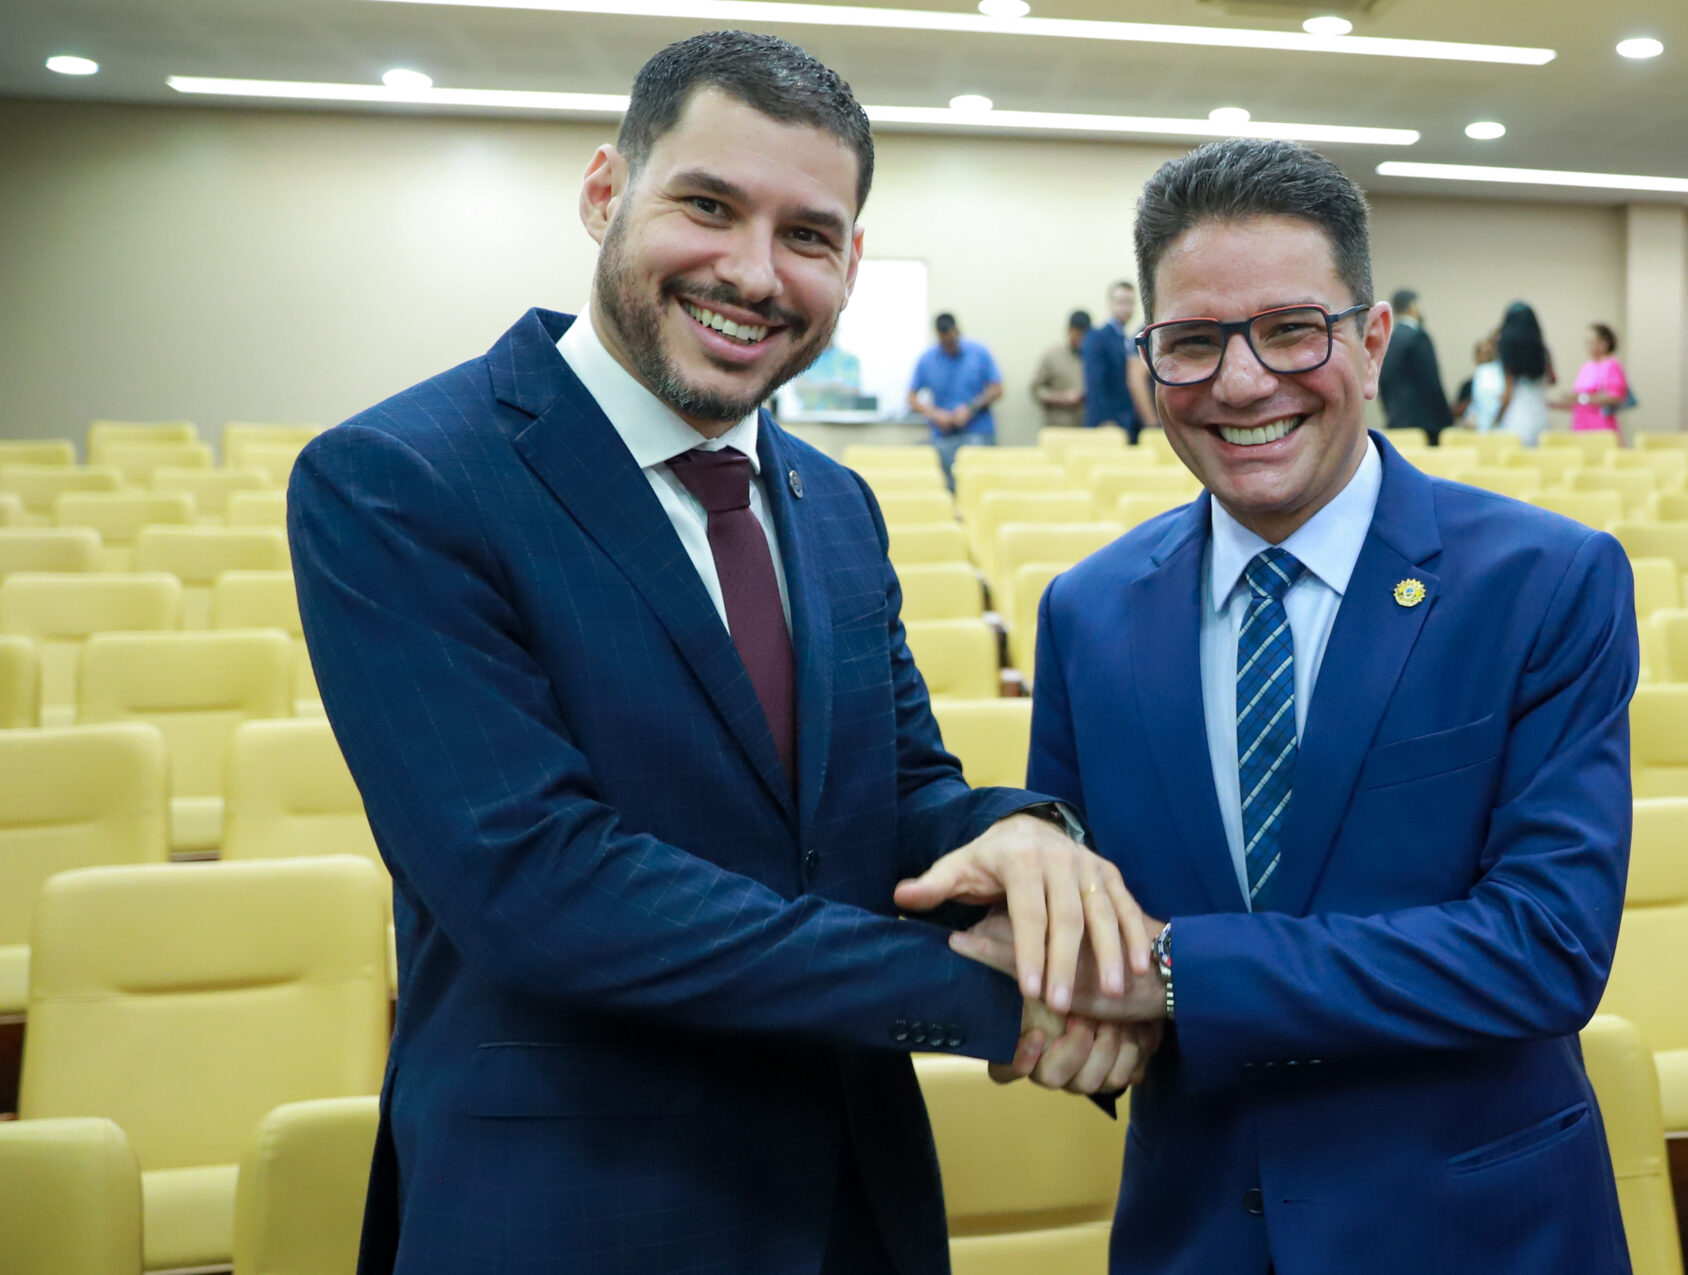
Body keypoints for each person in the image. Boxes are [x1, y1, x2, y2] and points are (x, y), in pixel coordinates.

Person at [289, 32, 1152, 1275]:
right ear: (604, 192)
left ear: (849, 262)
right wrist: (997, 1001)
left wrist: (1019, 835)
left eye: (807, 234)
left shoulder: (836, 502)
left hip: (855, 1195)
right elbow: (542, 887)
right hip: (580, 1207)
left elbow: (896, 787)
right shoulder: (401, 479)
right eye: (707, 206)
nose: (753, 273)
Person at [952, 139, 1636, 1273]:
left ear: (1369, 344)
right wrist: (1067, 1004)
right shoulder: (1086, 613)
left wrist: (1175, 978)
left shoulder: (1544, 582)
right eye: (1191, 342)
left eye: (1289, 330)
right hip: (1199, 1224)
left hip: (1475, 1228)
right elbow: (1091, 931)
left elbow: (1543, 948)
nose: (1239, 382)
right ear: (1145, 359)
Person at [909, 312, 1002, 482]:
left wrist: (970, 409)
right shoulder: (927, 359)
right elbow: (911, 398)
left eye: (953, 339)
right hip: (942, 436)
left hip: (977, 433)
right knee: (920, 464)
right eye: (945, 341)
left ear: (957, 331)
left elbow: (997, 388)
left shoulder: (979, 353)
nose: (950, 344)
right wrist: (935, 414)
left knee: (977, 479)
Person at [1377, 288, 1454, 444]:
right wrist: (1447, 419)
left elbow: (1382, 382)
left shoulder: (1388, 339)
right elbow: (1431, 382)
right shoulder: (1418, 337)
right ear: (1412, 306)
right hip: (1424, 425)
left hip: (1396, 422)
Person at [1471, 301, 1553, 445]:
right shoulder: (1543, 350)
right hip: (1541, 417)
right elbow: (1552, 379)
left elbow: (1508, 393)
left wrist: (1495, 420)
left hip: (1516, 419)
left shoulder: (1508, 349)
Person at [1082, 281, 1144, 440]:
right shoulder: (1096, 337)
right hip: (1108, 423)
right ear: (1110, 304)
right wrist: (1104, 420)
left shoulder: (1128, 339)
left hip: (1130, 421)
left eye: (1130, 303)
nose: (1126, 308)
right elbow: (1094, 384)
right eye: (1121, 302)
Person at [1553, 322, 1630, 434]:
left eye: (1591, 342)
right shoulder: (1586, 367)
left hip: (1601, 427)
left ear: (1604, 343)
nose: (1588, 346)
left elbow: (1615, 397)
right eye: (1586, 342)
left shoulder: (1611, 365)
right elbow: (1578, 399)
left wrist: (1582, 398)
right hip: (1580, 425)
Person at [1032, 309, 1091, 432]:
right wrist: (1061, 397)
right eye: (1078, 334)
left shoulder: (1095, 358)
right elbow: (1036, 391)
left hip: (1087, 429)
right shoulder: (1052, 356)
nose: (1082, 339)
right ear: (1070, 331)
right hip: (1058, 429)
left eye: (1085, 334)